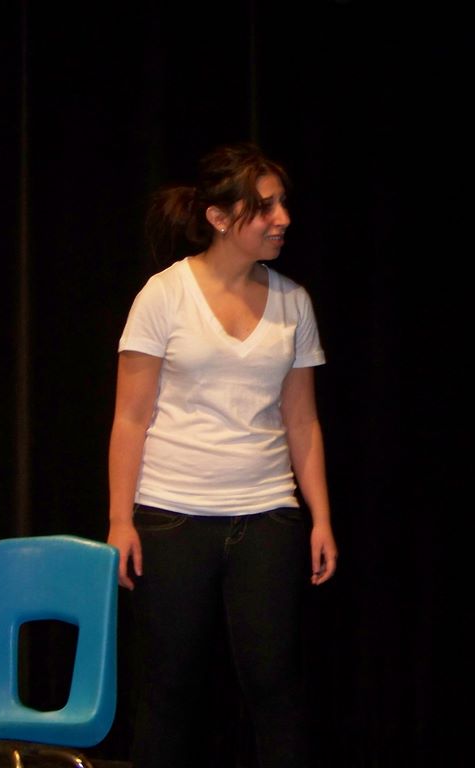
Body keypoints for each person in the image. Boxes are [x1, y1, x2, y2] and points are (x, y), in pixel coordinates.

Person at [106, 141, 338, 768]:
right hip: (171, 514)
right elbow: (130, 417)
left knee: (276, 687)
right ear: (218, 217)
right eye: (264, 207)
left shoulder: (293, 301)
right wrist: (121, 520)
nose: (283, 218)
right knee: (169, 689)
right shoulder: (164, 295)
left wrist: (319, 517)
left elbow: (302, 419)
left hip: (266, 514)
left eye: (282, 203)